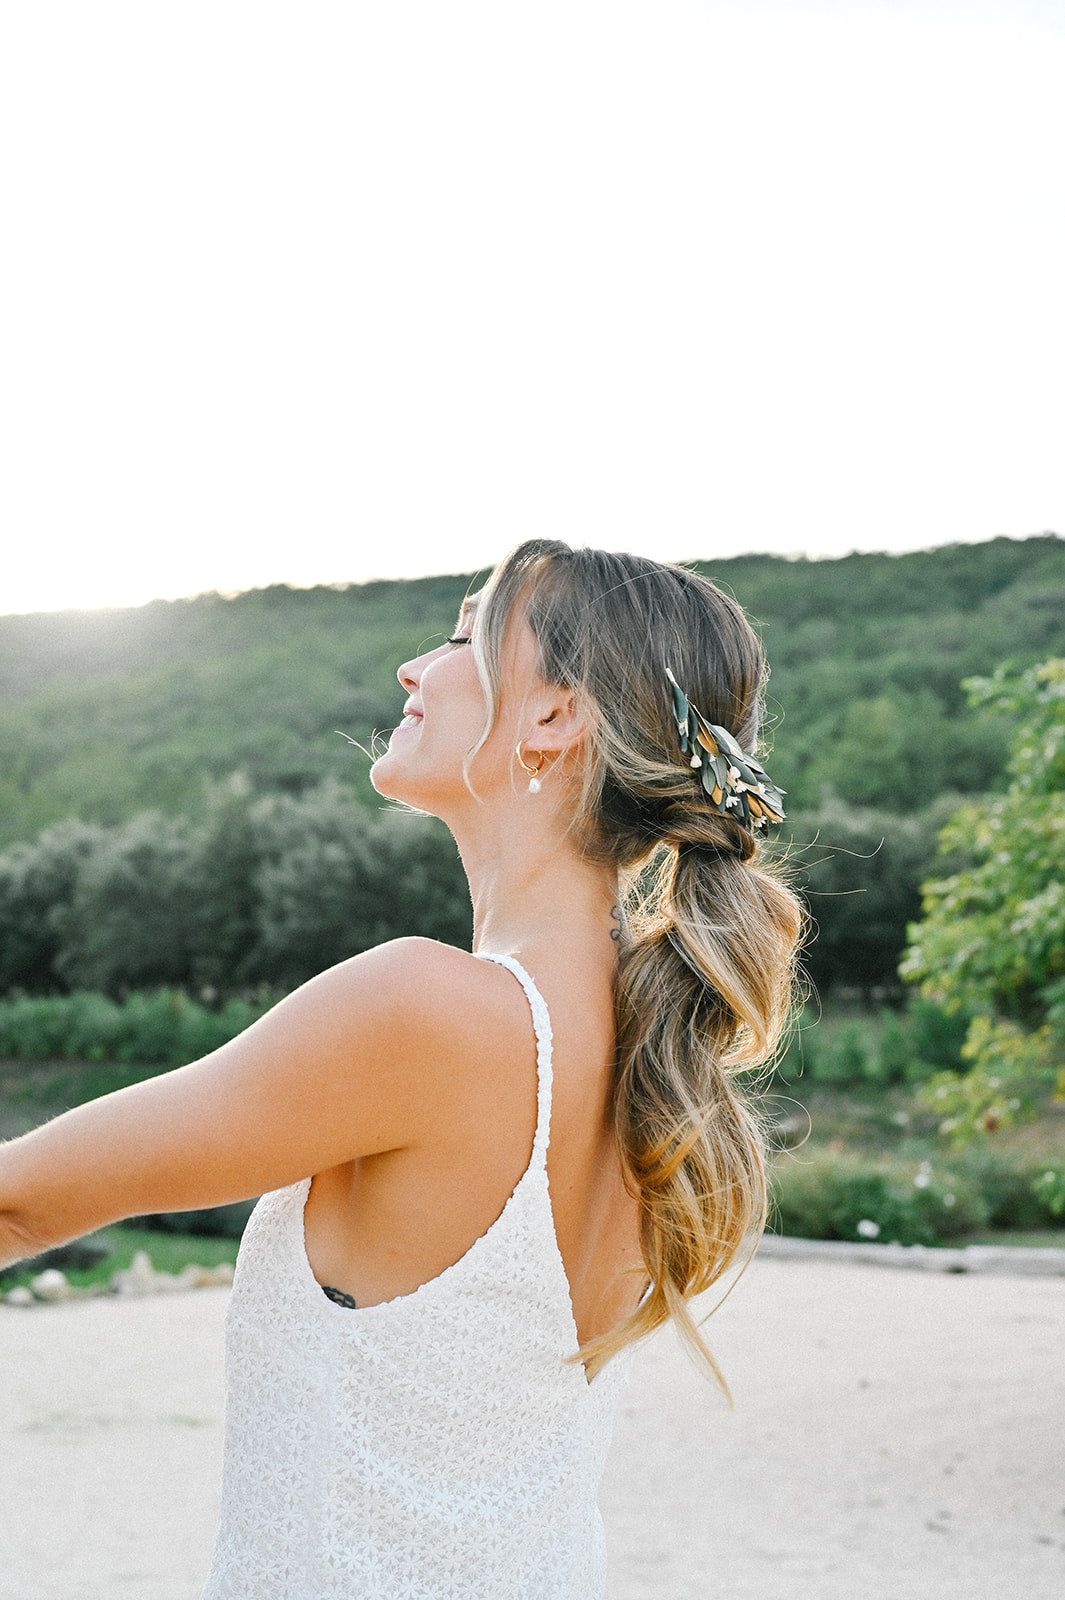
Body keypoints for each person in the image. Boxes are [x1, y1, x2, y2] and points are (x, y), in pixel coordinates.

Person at [0, 539, 803, 1599]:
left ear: (556, 716)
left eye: (466, 631)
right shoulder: (649, 1045)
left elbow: (16, 1204)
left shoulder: (432, 1013)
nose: (413, 669)